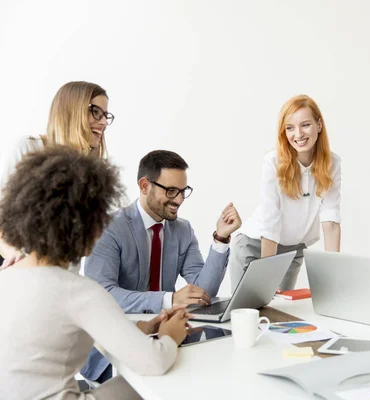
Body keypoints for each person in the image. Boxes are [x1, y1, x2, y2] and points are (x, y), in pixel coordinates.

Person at [0, 146, 189, 400]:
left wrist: (142, 328)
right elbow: (153, 362)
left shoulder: (9, 274)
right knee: (150, 387)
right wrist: (169, 337)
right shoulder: (79, 291)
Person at [81, 149, 241, 382]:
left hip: (168, 340)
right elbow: (102, 294)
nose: (178, 200)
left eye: (183, 191)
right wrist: (169, 299)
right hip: (115, 350)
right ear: (145, 186)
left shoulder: (182, 230)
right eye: (171, 191)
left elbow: (203, 292)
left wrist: (221, 239)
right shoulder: (109, 227)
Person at [229, 94, 341, 291]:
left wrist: (334, 276)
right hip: (257, 246)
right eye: (290, 128)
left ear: (319, 125)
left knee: (281, 316)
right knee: (247, 312)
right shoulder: (273, 162)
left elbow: (330, 221)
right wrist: (266, 276)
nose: (298, 134)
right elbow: (271, 220)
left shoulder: (332, 163)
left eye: (305, 125)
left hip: (292, 250)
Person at [0, 81, 113, 269]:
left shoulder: (92, 170)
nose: (103, 122)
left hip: (62, 278)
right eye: (96, 112)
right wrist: (14, 254)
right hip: (22, 270)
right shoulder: (30, 149)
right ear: (71, 110)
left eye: (105, 116)